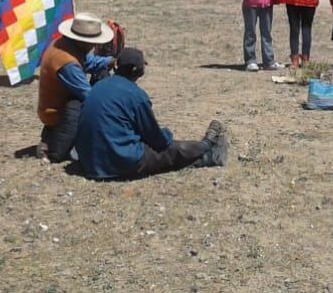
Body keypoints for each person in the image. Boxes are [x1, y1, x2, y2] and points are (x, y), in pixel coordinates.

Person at [75, 48, 230, 179]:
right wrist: (167, 134)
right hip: (117, 163)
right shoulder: (136, 96)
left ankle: (202, 156)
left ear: (116, 66)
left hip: (89, 162)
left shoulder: (98, 86)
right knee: (170, 150)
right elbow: (157, 140)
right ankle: (206, 147)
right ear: (138, 72)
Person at [35, 13, 116, 162]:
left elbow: (90, 63)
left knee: (101, 77)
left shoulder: (66, 45)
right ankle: (59, 144)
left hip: (59, 104)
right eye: (92, 43)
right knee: (88, 105)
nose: (94, 46)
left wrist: (111, 61)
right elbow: (88, 95)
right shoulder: (67, 63)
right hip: (56, 112)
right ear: (82, 41)